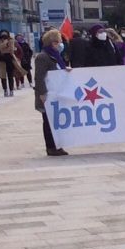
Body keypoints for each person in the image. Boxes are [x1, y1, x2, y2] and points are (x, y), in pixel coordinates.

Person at [34, 28, 68, 156]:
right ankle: (51, 147)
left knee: (55, 121)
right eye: (57, 42)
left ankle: (57, 145)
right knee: (48, 122)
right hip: (47, 95)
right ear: (51, 42)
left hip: (56, 94)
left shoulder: (55, 56)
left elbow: (57, 70)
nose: (59, 44)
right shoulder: (43, 57)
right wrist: (42, 93)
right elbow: (39, 77)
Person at [0, 29, 23, 99]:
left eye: (5, 35)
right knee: (3, 76)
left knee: (10, 75)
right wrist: (5, 44)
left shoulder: (11, 40)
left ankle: (11, 90)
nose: (3, 37)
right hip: (1, 59)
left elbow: (11, 50)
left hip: (9, 58)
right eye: (2, 35)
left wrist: (4, 47)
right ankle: (5, 89)